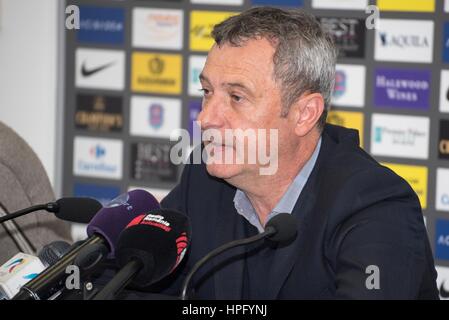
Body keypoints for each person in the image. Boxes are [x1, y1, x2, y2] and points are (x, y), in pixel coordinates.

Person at [153, 7, 439, 299]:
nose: (204, 119)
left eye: (237, 97)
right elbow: (139, 281)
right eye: (207, 92)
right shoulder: (203, 178)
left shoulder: (375, 203)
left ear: (305, 114)